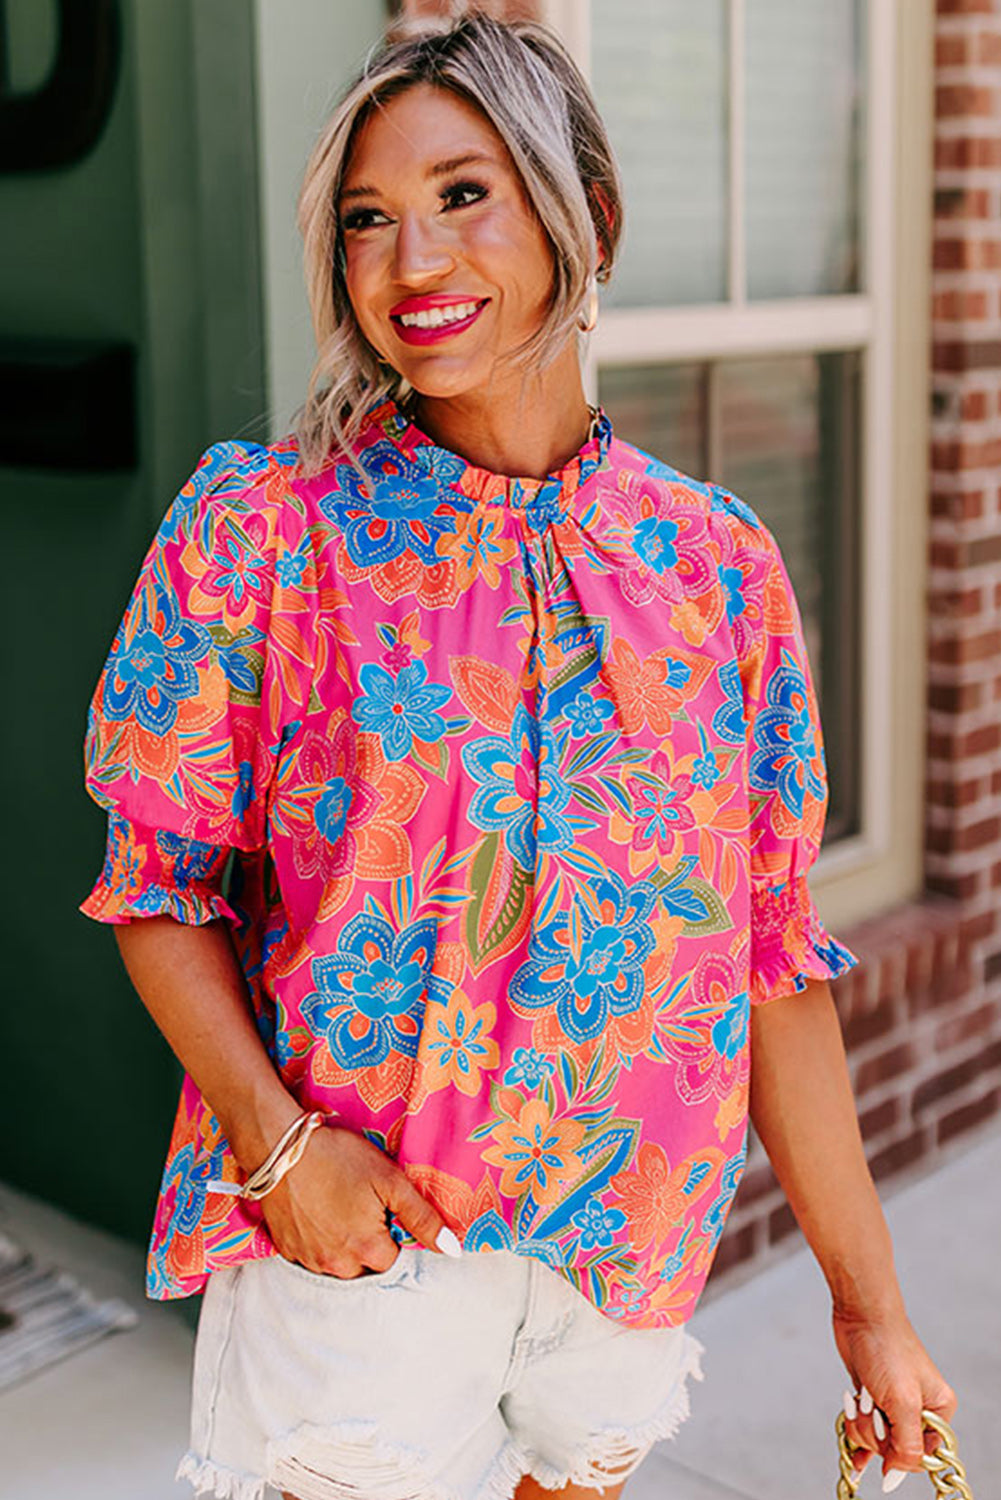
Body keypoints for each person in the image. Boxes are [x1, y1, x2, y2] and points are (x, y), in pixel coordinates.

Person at [81, 11, 955, 1500]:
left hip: (625, 1259)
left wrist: (869, 1309)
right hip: (367, 1247)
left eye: (462, 194)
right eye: (369, 219)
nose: (412, 261)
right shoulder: (266, 532)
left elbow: (770, 966)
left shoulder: (718, 571)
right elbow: (156, 886)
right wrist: (282, 1152)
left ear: (583, 218)